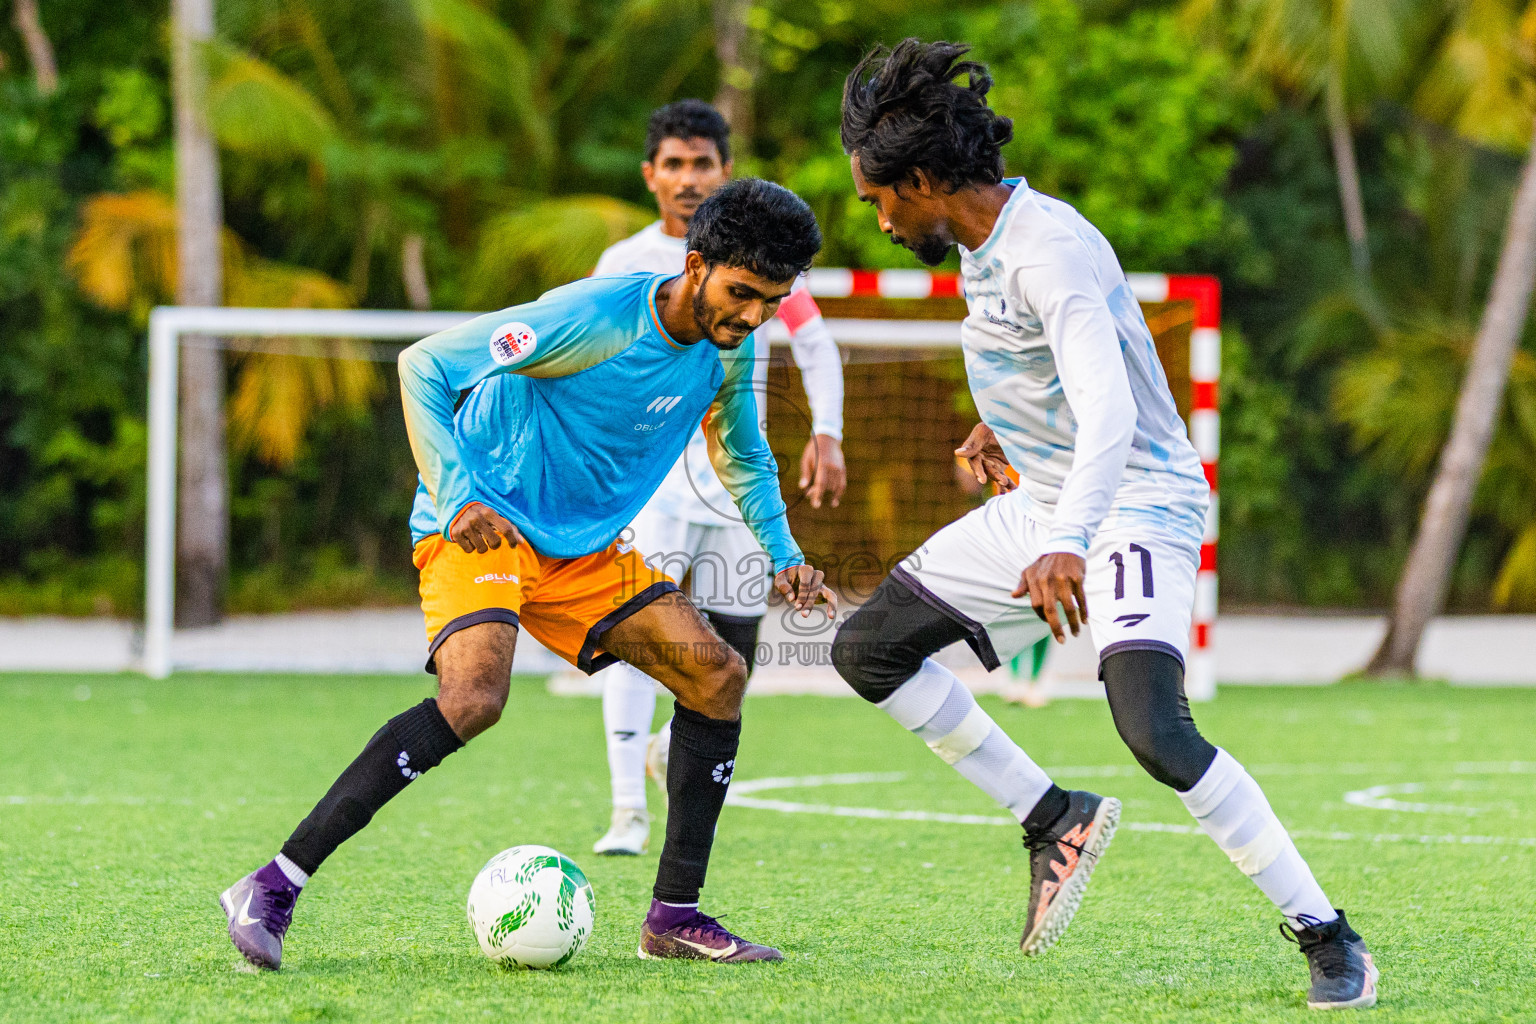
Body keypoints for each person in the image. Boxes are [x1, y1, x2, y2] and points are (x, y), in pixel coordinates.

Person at [830, 40, 1378, 1010]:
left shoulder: (1047, 250)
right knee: (867, 650)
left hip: (1135, 500)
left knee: (1156, 731)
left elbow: (1113, 411)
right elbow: (1056, 371)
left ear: (921, 182)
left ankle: (1329, 937)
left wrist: (1067, 540)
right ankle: (1053, 818)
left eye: (880, 200)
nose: (879, 221)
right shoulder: (986, 243)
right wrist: (1004, 424)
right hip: (1050, 496)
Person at [219, 179, 835, 969]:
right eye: (741, 293)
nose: (751, 316)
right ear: (695, 266)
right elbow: (423, 366)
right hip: (486, 525)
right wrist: (458, 497)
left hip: (583, 551)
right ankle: (272, 885)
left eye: (771, 302)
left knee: (716, 677)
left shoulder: (729, 347)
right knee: (475, 698)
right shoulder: (593, 318)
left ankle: (673, 919)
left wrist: (785, 555)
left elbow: (742, 453)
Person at [578, 100, 847, 857]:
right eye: (675, 163)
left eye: (703, 163)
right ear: (650, 175)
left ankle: (669, 749)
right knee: (634, 633)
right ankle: (628, 810)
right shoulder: (623, 263)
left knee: (733, 650)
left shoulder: (758, 260)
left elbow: (816, 345)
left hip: (734, 483)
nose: (688, 177)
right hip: (649, 484)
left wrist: (826, 431)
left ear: (724, 170)